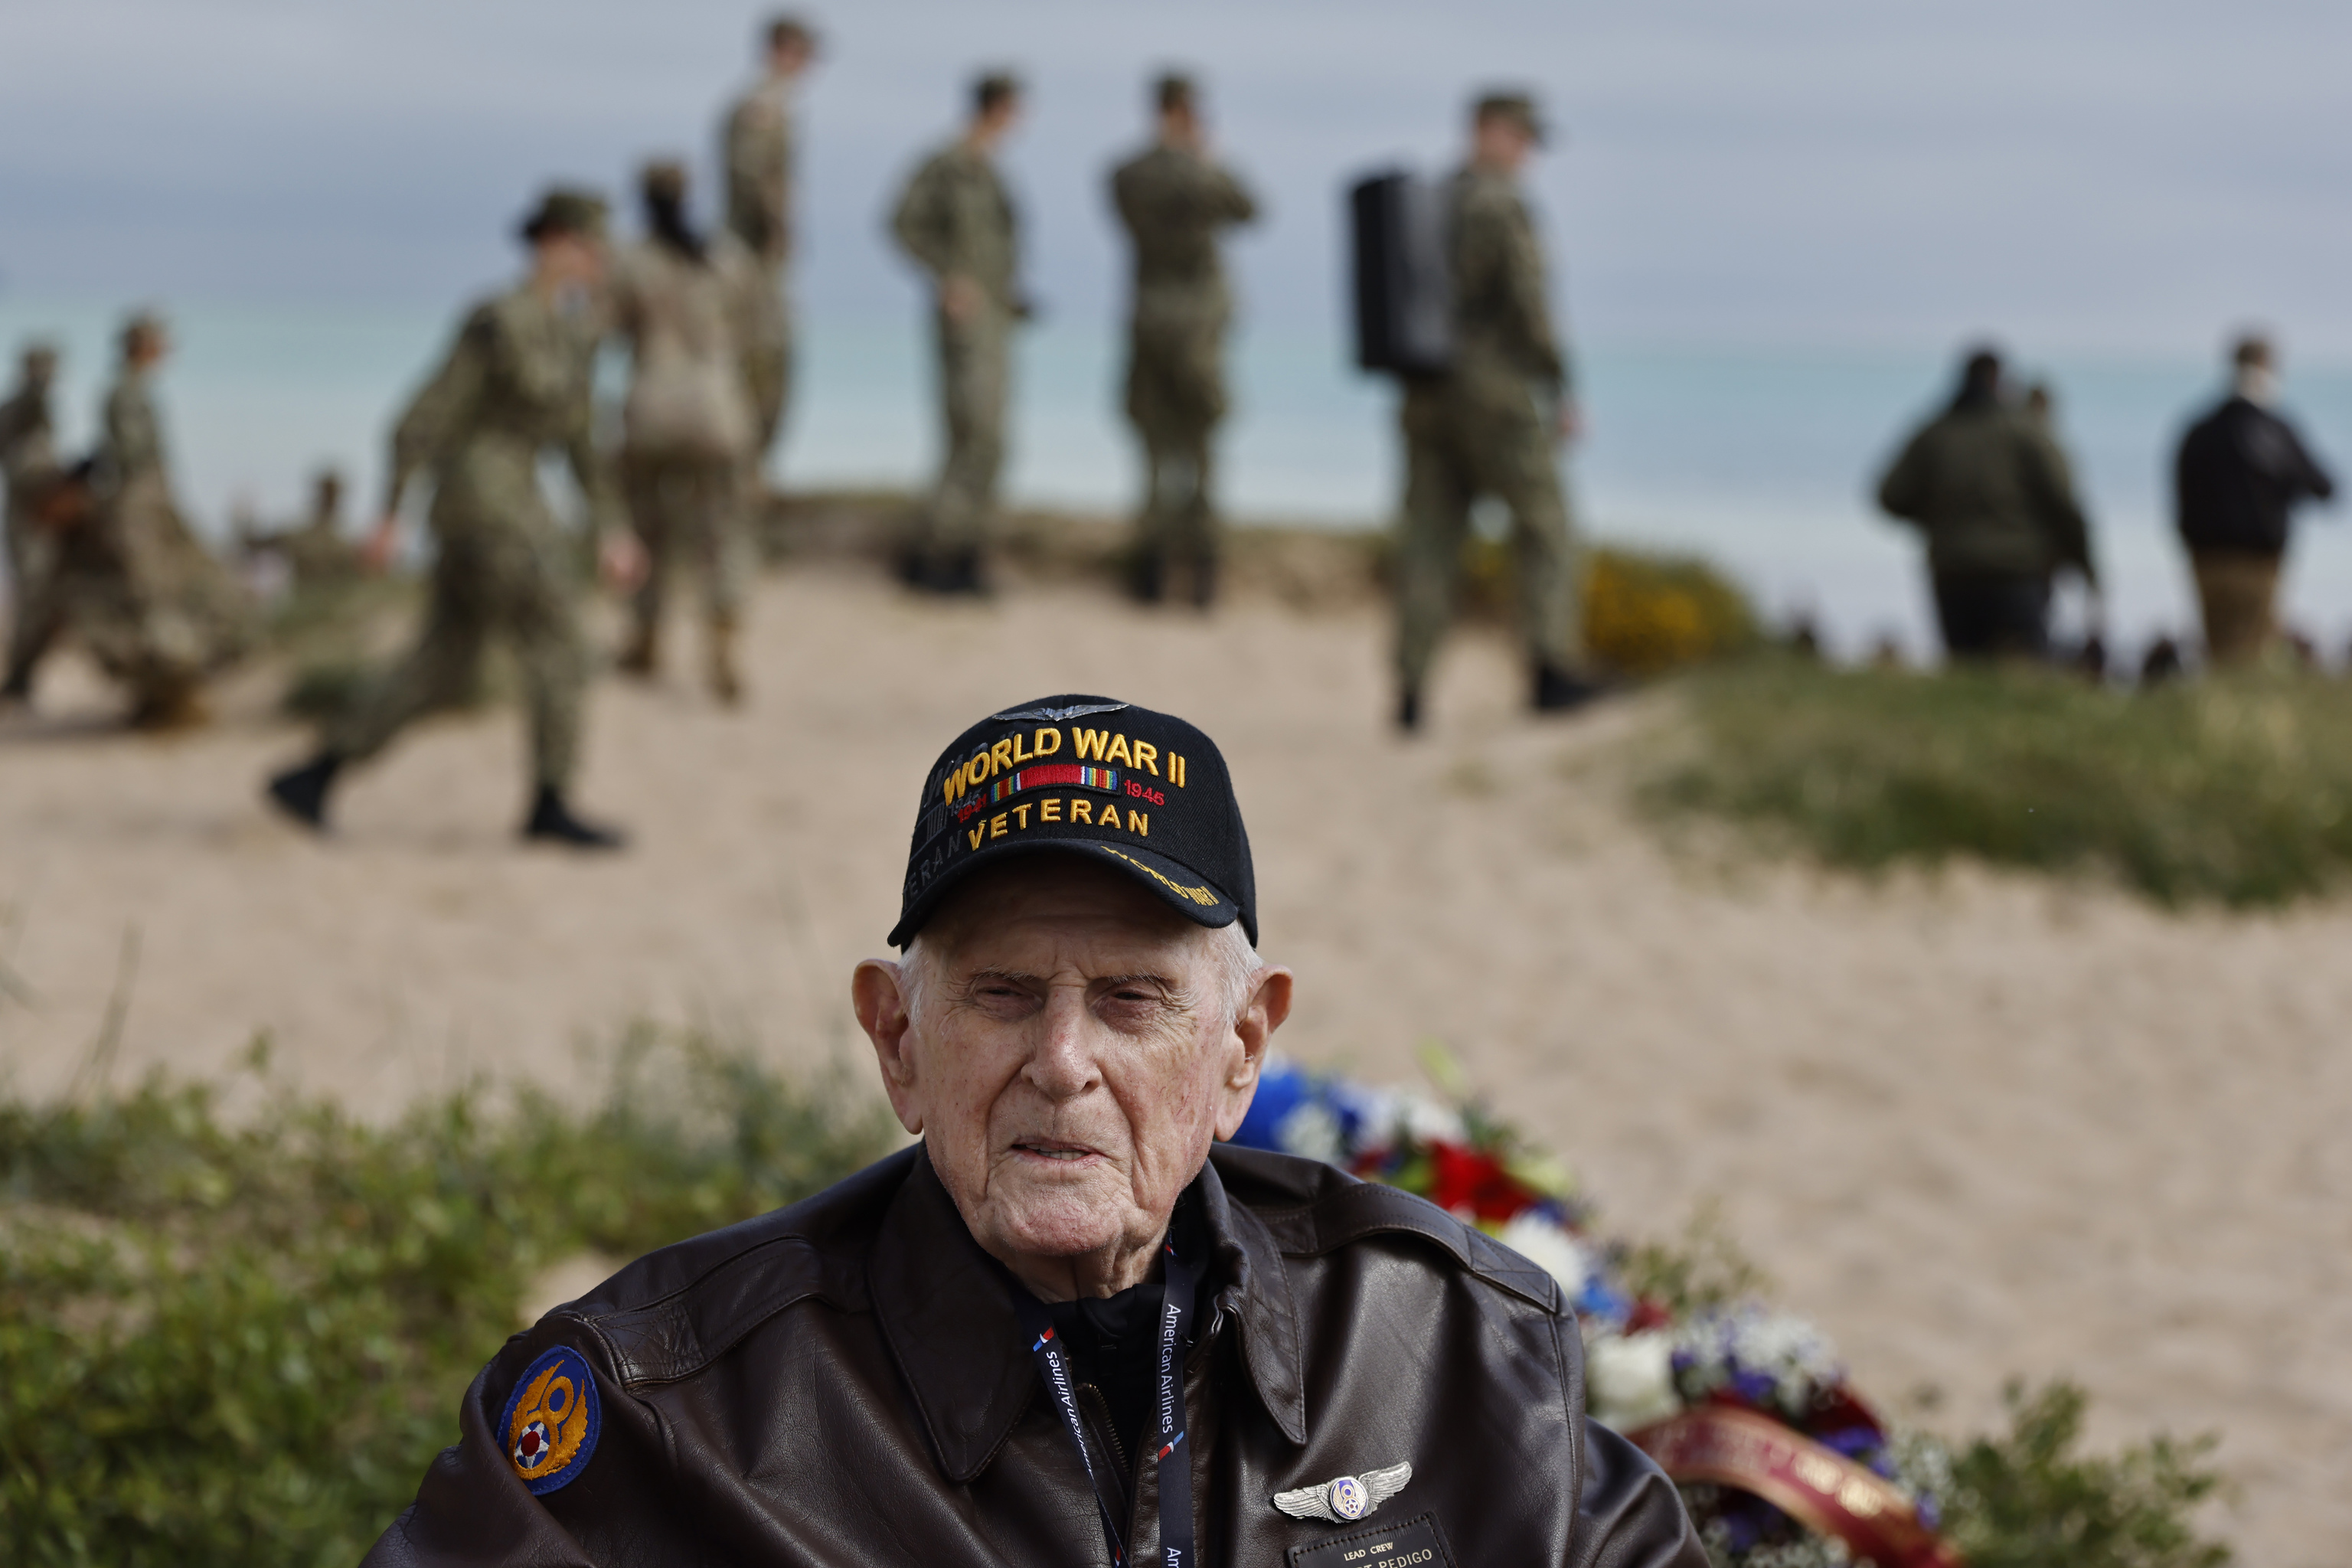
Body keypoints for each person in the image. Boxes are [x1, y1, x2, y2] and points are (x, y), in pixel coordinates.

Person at [359, 692, 1706, 1568]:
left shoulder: (1446, 1351)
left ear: (1239, 1048)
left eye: (1132, 1000)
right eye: (1003, 994)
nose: (1062, 1062)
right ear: (897, 1036)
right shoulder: (672, 1411)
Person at [264, 188, 635, 848]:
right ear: (552, 241)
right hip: (483, 505)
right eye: (589, 244)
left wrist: (612, 526)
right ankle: (549, 802)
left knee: (444, 662)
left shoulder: (576, 333)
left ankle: (315, 775)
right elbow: (424, 416)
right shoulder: (497, 319)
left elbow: (580, 443)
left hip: (515, 500)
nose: (599, 259)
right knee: (561, 646)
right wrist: (389, 512)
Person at [1394, 92, 1599, 732]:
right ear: (1488, 130)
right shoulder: (1501, 204)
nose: (1528, 152)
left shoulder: (1427, 201)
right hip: (1493, 392)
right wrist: (1562, 387)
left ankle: (1410, 690)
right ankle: (1550, 671)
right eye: (1522, 136)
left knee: (1429, 541)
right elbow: (1530, 308)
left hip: (1424, 393)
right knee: (1546, 526)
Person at [610, 159, 773, 704]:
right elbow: (756, 336)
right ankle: (723, 642)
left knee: (647, 529)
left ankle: (644, 636)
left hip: (652, 408)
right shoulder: (727, 259)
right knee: (724, 534)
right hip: (719, 411)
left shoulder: (631, 261)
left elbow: (606, 331)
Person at [46, 312, 256, 727]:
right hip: (140, 504)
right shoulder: (125, 392)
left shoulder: (132, 389)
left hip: (148, 501)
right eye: (158, 343)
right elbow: (130, 455)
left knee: (181, 585)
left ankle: (173, 687)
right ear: (143, 346)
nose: (164, 351)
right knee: (152, 593)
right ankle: (164, 686)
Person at [1109, 73, 1258, 609]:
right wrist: (1205, 158)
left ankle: (1148, 576)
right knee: (1200, 451)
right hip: (1198, 326)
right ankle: (1201, 579)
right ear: (1188, 112)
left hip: (1149, 320)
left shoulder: (1127, 173)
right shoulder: (1201, 175)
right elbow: (1250, 209)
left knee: (1153, 452)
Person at [891, 70, 1027, 595]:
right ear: (997, 108)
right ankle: (937, 556)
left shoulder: (990, 171)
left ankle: (965, 553)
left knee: (989, 440)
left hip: (995, 322)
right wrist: (948, 277)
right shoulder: (947, 165)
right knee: (973, 435)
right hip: (966, 325)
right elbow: (902, 223)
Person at [1875, 346, 2096, 662]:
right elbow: (2064, 504)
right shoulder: (2026, 432)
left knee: (1965, 675)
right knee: (2024, 676)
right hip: (2017, 574)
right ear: (2000, 381)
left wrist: (1939, 518)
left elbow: (1890, 496)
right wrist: (2087, 567)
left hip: (1953, 572)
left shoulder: (1936, 434)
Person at [2173, 333, 2336, 667]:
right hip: (2258, 560)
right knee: (2251, 652)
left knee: (2217, 650)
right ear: (2267, 368)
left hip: (2205, 557)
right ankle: (2239, 716)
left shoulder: (2200, 429)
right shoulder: (2275, 429)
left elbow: (2180, 491)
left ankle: (2215, 714)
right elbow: (2323, 487)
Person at [720, 13, 816, 473]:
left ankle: (748, 476)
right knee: (762, 366)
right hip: (750, 260)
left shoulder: (774, 106)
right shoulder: (761, 107)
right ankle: (743, 476)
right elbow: (753, 182)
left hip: (757, 259)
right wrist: (776, 232)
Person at [1, 343, 65, 701]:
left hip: (40, 515)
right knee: (32, 596)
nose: (49, 378)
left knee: (41, 598)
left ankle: (22, 677)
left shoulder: (36, 410)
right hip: (27, 517)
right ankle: (19, 679)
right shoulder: (23, 407)